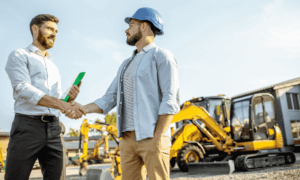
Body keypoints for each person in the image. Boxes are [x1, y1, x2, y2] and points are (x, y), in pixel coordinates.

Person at [65, 7, 180, 180]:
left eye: (131, 25)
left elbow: (170, 99)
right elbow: (109, 98)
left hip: (152, 137)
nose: (126, 30)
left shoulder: (162, 56)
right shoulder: (126, 64)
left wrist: (158, 136)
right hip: (126, 140)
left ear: (144, 27)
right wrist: (82, 108)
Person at [5, 14, 86, 180]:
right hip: (27, 127)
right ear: (35, 29)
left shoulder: (53, 66)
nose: (54, 34)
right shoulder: (20, 55)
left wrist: (68, 100)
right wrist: (60, 103)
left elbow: (58, 102)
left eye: (56, 31)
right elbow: (22, 89)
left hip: (55, 130)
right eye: (50, 29)